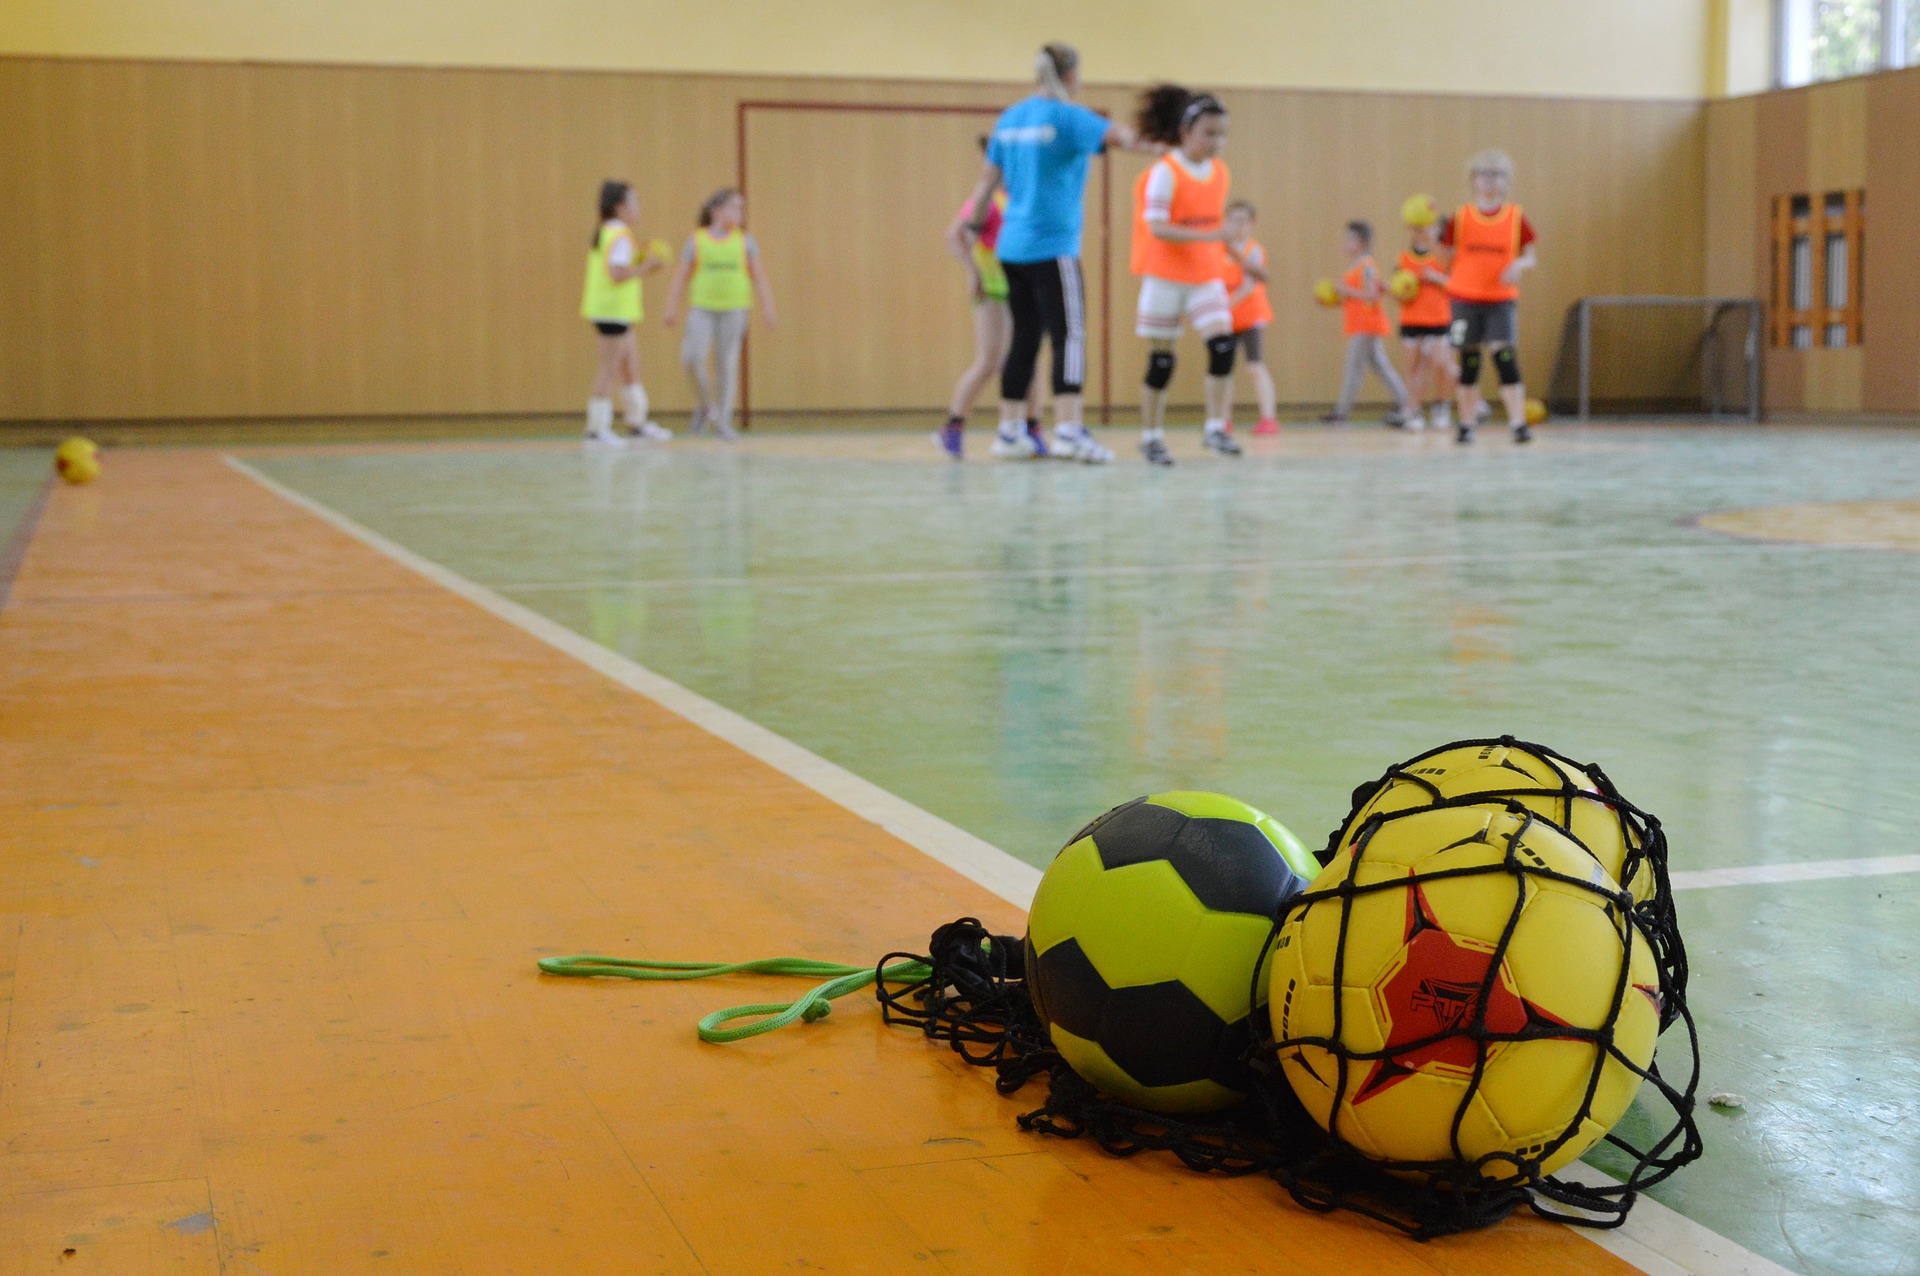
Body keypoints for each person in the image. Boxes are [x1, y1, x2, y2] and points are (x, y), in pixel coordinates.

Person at [959, 43, 1155, 463]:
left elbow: (984, 187)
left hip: (1010, 249)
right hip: (1053, 248)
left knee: (1025, 340)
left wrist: (974, 239)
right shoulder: (1070, 117)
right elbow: (1124, 138)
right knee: (1070, 337)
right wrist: (1165, 143)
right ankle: (1068, 430)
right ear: (1070, 75)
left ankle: (1009, 433)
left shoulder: (1009, 120)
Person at [1128, 85, 1243, 467]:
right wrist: (1212, 236)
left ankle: (1215, 427)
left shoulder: (1220, 173)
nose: (1218, 141)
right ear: (1185, 132)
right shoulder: (1165, 173)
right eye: (1210, 133)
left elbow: (1216, 226)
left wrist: (1236, 254)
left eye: (1222, 133)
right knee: (1162, 361)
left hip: (1204, 276)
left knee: (1223, 346)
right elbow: (1158, 227)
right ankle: (1151, 435)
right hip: (1164, 276)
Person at [936, 138, 1043, 459]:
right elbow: (953, 238)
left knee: (1030, 362)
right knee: (990, 361)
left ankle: (1030, 427)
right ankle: (953, 426)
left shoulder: (1028, 200)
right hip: (993, 290)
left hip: (1025, 288)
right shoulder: (988, 201)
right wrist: (974, 273)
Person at [1440, 150, 1538, 443]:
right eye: (1483, 173)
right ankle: (1467, 423)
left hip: (1500, 299)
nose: (1489, 179)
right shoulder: (1461, 216)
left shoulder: (1515, 217)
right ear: (1473, 180)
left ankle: (1518, 423)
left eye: (1496, 174)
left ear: (1506, 180)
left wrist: (1518, 264)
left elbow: (1531, 256)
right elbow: (1445, 255)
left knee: (1504, 355)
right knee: (1469, 360)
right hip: (1464, 297)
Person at [663, 188, 777, 440]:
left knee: (726, 364)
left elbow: (759, 278)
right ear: (717, 211)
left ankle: (724, 421)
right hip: (702, 309)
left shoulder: (746, 241)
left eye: (742, 208)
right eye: (735, 207)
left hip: (734, 309)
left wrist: (768, 306)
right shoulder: (696, 240)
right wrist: (671, 305)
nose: (740, 213)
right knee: (691, 358)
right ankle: (706, 406)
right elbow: (681, 278)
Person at [580, 180, 671, 447]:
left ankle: (637, 421)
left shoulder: (609, 232)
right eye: (635, 202)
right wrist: (647, 266)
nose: (638, 207)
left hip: (616, 311)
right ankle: (597, 429)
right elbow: (617, 274)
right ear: (620, 207)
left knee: (630, 367)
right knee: (608, 370)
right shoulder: (619, 236)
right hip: (611, 312)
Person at [1326, 220, 1417, 426]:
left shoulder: (1367, 266)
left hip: (1366, 325)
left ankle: (1342, 412)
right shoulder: (1358, 265)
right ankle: (1407, 404)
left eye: (1351, 239)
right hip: (1362, 324)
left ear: (1363, 242)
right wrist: (1335, 299)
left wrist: (1346, 291)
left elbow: (1370, 295)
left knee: (1354, 367)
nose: (1346, 243)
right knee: (1381, 367)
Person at [1394, 194, 1457, 433]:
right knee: (1414, 367)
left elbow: (1456, 283)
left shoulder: (1443, 257)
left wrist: (1436, 278)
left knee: (1441, 364)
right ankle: (1415, 411)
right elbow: (1397, 289)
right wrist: (1400, 289)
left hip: (1439, 318)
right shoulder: (1403, 258)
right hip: (1411, 319)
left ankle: (1441, 406)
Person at [1222, 200, 1278, 436]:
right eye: (1233, 220)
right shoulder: (1220, 250)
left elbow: (1247, 287)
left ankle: (1269, 419)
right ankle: (1222, 420)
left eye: (1244, 221)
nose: (1238, 226)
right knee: (1223, 371)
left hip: (1251, 316)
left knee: (1254, 366)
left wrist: (1221, 307)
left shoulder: (1253, 250)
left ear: (1252, 225)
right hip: (1228, 319)